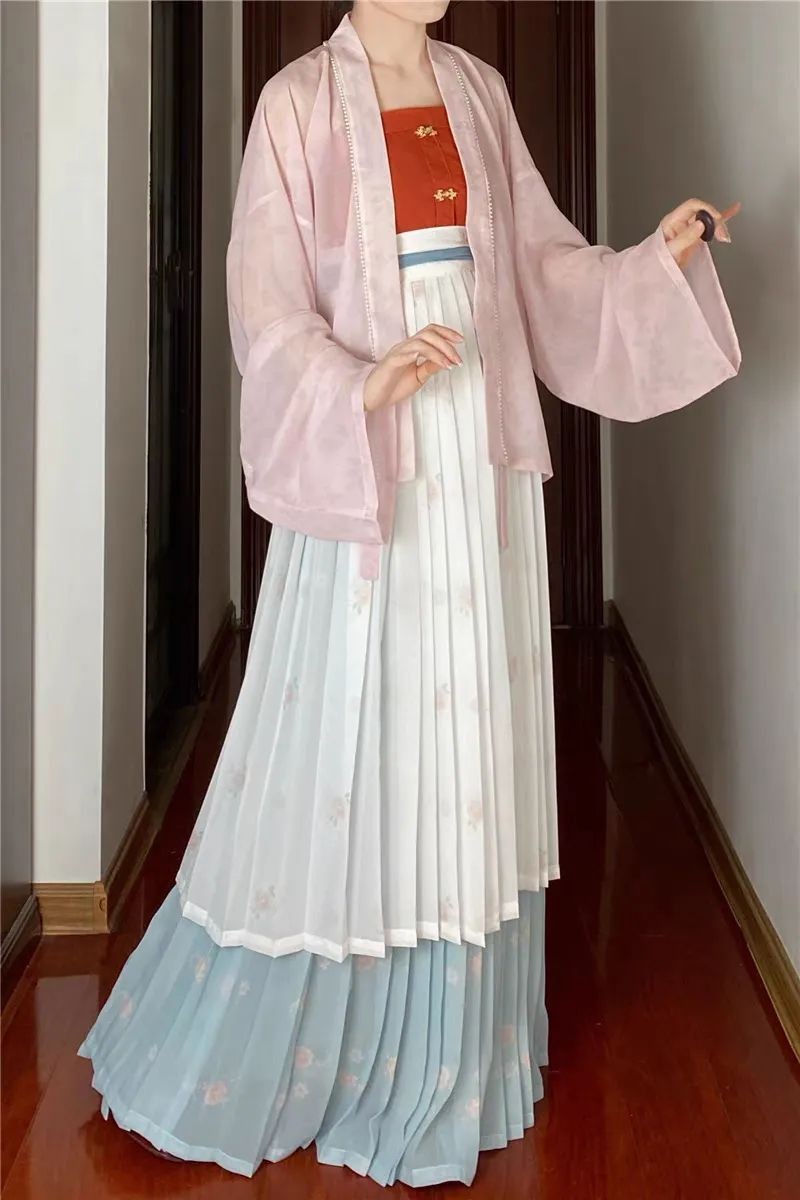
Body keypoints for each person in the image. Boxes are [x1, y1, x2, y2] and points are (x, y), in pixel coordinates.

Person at [77, 1, 741, 1187]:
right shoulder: (294, 103)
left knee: (465, 724)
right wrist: (356, 381)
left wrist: (653, 263)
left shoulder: (479, 90)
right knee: (349, 722)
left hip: (476, 451)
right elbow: (266, 306)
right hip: (368, 450)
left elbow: (537, 268)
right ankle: (315, 1033)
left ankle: (450, 1045)